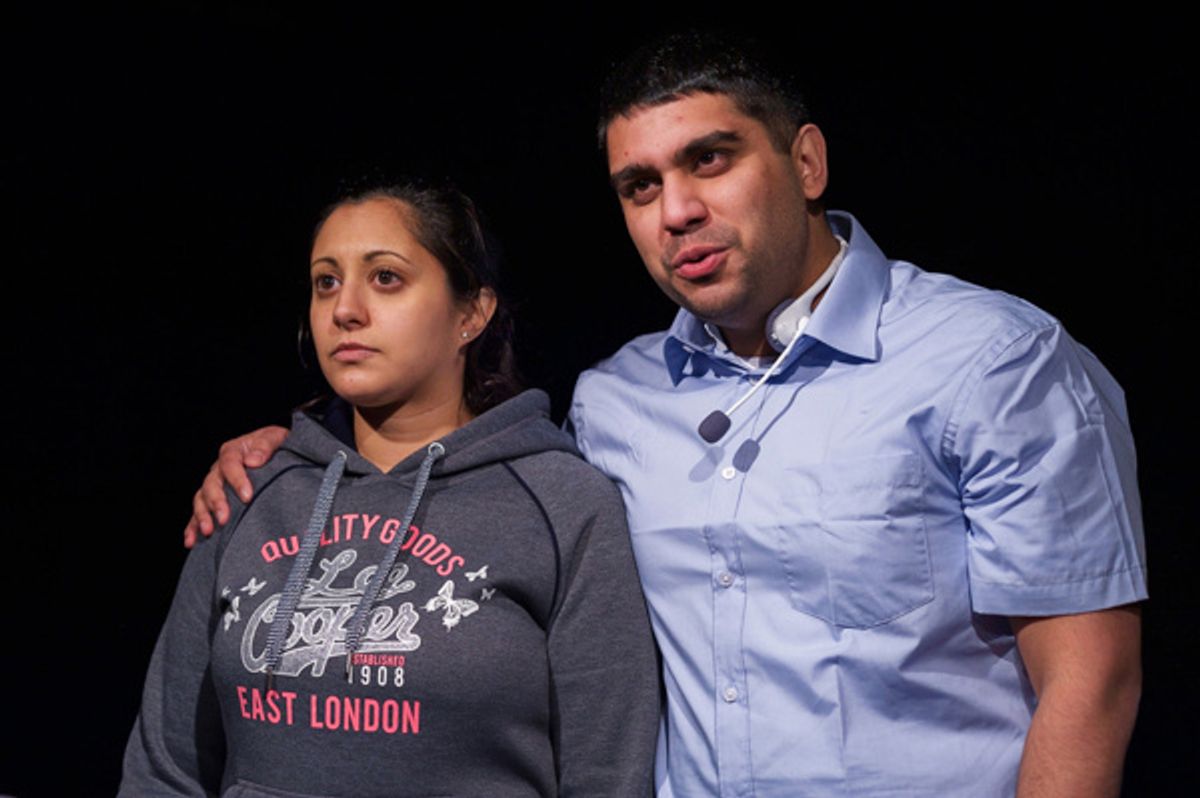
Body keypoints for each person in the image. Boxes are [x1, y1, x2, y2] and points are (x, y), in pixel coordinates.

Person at [184, 33, 1148, 797]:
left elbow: (1090, 683)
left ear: (806, 161)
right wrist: (291, 454)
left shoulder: (991, 360)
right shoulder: (614, 400)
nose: (675, 210)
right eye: (639, 187)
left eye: (711, 160)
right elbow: (466, 491)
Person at [122, 181, 660, 797]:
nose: (344, 309)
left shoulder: (561, 502)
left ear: (471, 314)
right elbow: (164, 767)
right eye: (326, 281)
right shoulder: (250, 490)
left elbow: (608, 773)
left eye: (385, 278)